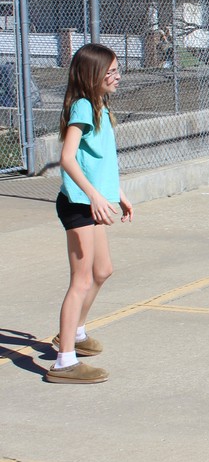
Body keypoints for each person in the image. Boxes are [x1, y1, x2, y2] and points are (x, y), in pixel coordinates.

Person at [47, 43, 133, 384]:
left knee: (103, 270)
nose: (117, 77)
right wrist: (96, 197)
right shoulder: (83, 107)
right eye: (110, 72)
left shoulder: (99, 105)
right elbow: (68, 158)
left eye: (116, 70)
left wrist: (117, 194)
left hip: (94, 201)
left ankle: (74, 334)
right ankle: (64, 361)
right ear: (92, 76)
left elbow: (98, 162)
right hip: (79, 205)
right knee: (81, 280)